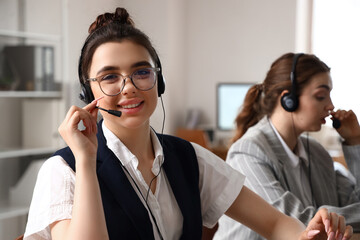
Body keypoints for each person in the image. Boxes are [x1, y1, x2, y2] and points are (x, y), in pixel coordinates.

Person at [23, 9, 352, 240]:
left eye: (141, 72)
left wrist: (310, 232)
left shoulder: (188, 158)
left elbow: (276, 224)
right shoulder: (62, 170)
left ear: (158, 80)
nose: (129, 87)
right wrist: (84, 158)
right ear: (88, 92)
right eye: (110, 77)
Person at [214, 52, 360, 240]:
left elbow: (354, 202)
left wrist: (355, 142)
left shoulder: (317, 153)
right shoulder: (248, 152)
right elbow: (302, 224)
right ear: (288, 100)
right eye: (321, 96)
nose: (331, 105)